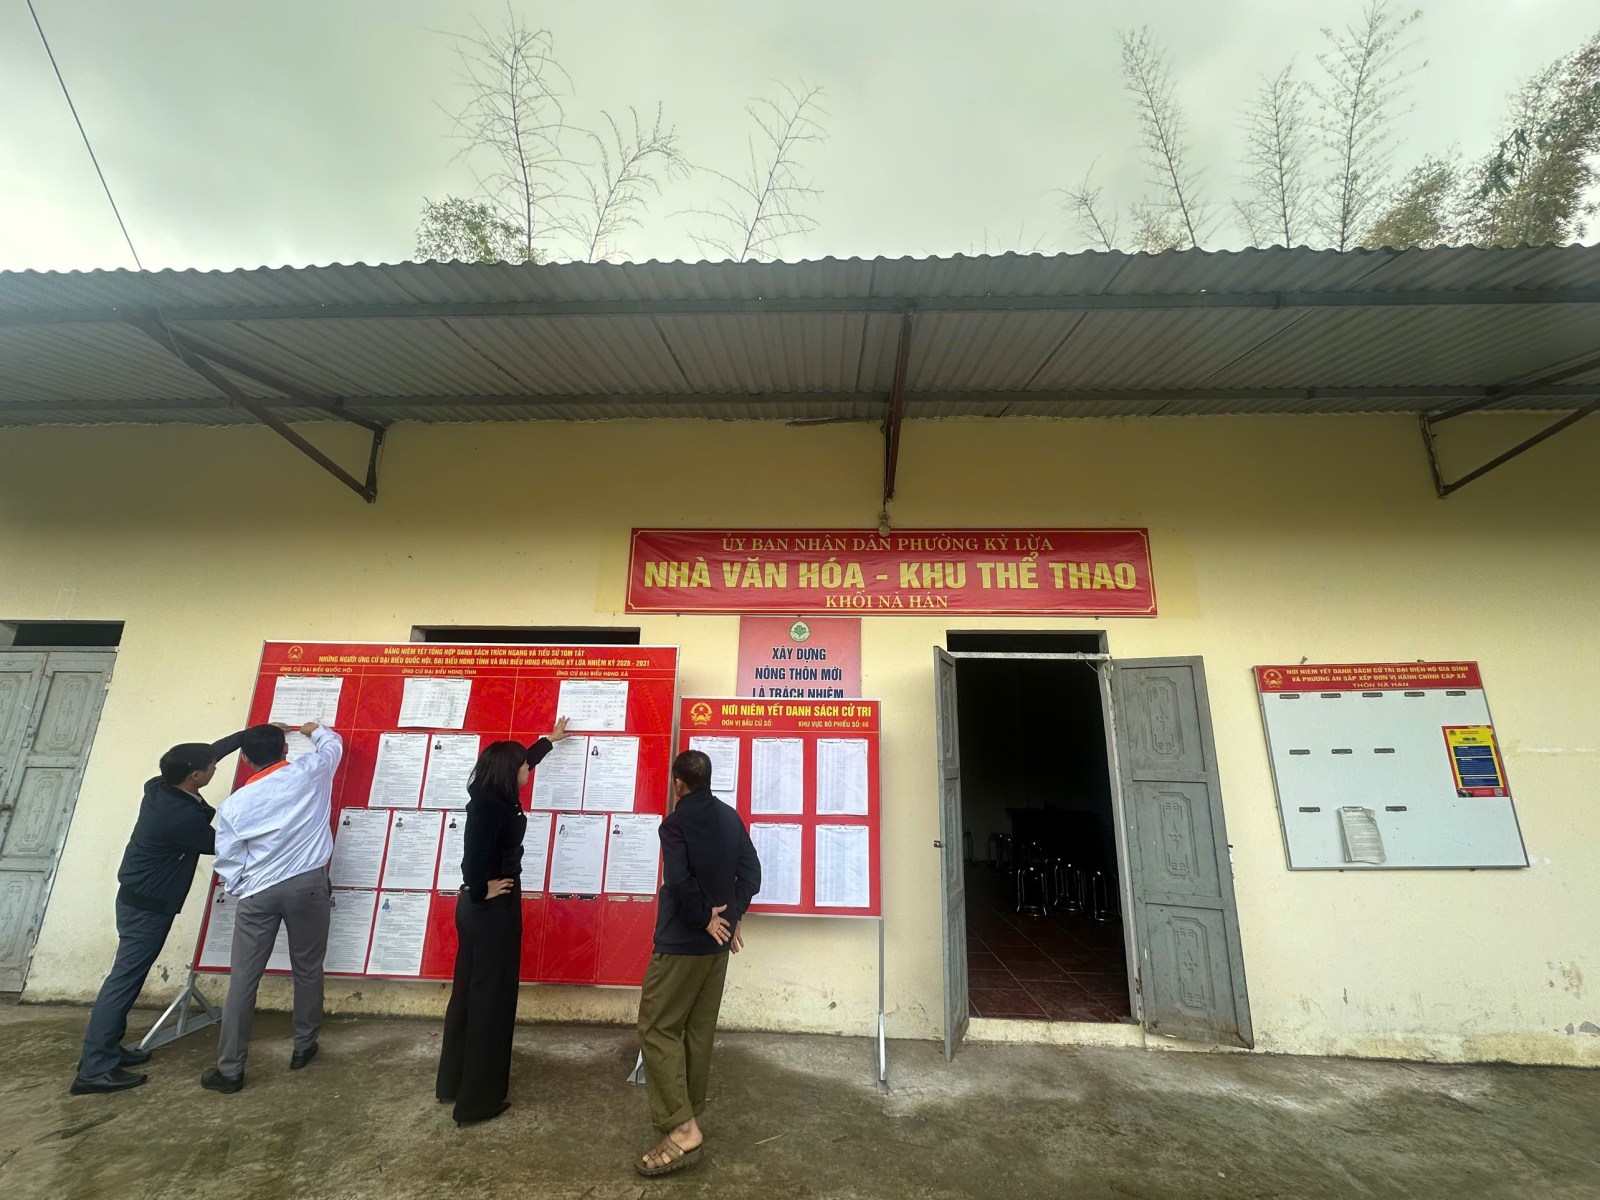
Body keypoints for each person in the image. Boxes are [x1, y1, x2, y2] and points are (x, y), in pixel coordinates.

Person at [69, 729, 249, 1095]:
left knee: (127, 977)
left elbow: (210, 752)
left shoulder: (160, 786)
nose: (215, 767)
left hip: (136, 897)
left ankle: (107, 1049)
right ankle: (94, 1069)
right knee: (124, 980)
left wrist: (249, 735)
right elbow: (224, 845)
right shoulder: (177, 818)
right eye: (210, 767)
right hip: (147, 907)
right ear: (195, 776)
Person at [435, 718, 571, 1126]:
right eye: (524, 767)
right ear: (511, 772)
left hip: (481, 911)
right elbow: (472, 856)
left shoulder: (491, 793)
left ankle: (454, 1083)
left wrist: (547, 741)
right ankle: (478, 1102)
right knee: (491, 1001)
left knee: (469, 994)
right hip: (490, 911)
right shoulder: (490, 806)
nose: (528, 770)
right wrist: (480, 889)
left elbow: (524, 760)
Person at [634, 749, 761, 1177]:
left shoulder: (675, 824)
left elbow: (678, 880)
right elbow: (752, 873)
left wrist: (705, 917)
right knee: (698, 1030)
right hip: (716, 949)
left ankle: (683, 1128)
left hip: (680, 945)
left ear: (679, 784)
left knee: (657, 1027)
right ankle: (689, 1113)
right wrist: (731, 915)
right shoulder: (730, 817)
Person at [200, 719, 342, 1094]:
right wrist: (314, 730)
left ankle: (230, 1069)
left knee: (243, 980)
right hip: (308, 885)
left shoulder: (234, 805)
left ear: (245, 760)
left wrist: (246, 888)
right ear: (285, 750)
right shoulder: (310, 772)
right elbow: (333, 747)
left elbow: (228, 859)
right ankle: (304, 1045)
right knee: (307, 968)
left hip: (258, 893)